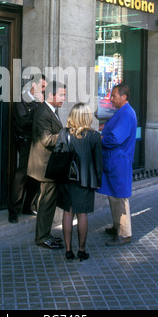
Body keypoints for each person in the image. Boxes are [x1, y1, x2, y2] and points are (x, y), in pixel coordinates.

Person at [57, 103, 102, 261]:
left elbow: (58, 154)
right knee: (82, 215)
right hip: (86, 180)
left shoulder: (64, 133)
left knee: (67, 214)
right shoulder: (95, 136)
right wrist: (98, 181)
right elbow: (98, 162)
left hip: (67, 180)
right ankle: (81, 250)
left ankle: (68, 250)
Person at [27, 80, 66, 249]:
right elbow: (47, 140)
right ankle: (42, 237)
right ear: (51, 95)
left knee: (48, 203)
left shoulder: (51, 110)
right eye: (62, 95)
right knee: (47, 204)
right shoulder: (44, 112)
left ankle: (45, 234)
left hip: (50, 166)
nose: (64, 98)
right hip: (45, 166)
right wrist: (67, 133)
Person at [97, 84, 137, 246]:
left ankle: (124, 234)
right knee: (114, 197)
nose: (111, 99)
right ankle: (117, 227)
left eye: (114, 96)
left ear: (124, 97)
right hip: (114, 162)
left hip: (118, 162)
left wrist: (101, 139)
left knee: (120, 198)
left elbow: (115, 138)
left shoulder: (127, 114)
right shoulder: (123, 112)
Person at [8, 73, 48, 223]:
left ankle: (28, 205)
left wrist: (43, 105)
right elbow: (24, 122)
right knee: (22, 174)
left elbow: (48, 118)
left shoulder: (40, 102)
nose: (44, 89)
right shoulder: (21, 100)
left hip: (39, 142)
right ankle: (13, 209)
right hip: (26, 142)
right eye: (42, 86)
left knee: (37, 175)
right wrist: (40, 112)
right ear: (34, 85)